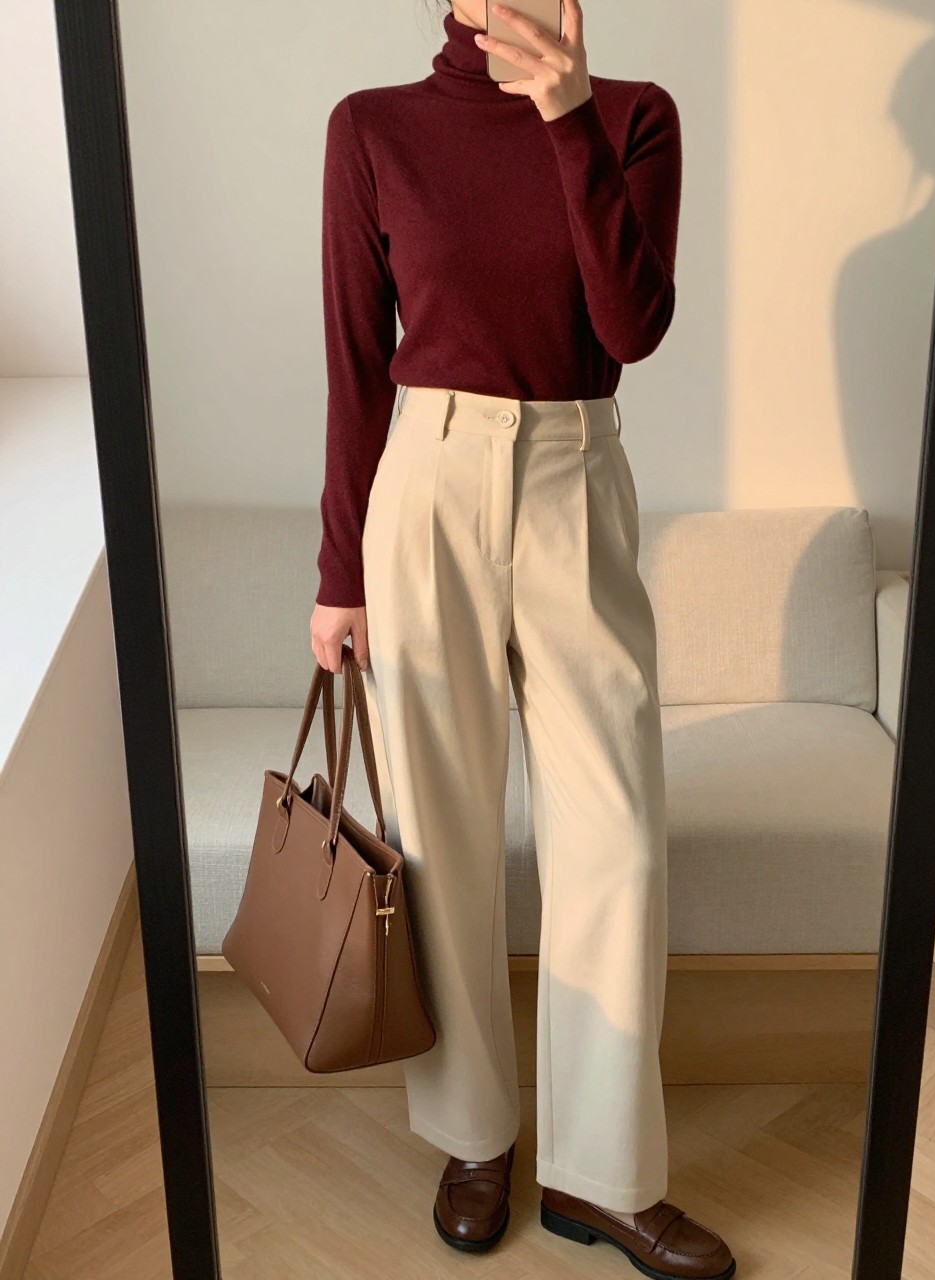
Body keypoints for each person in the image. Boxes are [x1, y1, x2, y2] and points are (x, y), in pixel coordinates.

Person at [309, 2, 735, 1276]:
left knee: (618, 834)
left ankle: (603, 1174)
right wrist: (340, 570)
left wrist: (566, 115)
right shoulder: (372, 128)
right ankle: (475, 1132)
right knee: (439, 833)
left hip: (574, 474)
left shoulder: (635, 116)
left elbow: (629, 327)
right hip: (424, 481)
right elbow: (352, 359)